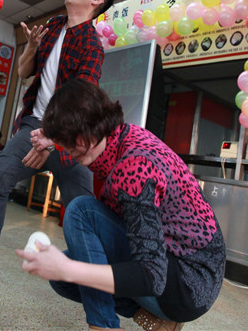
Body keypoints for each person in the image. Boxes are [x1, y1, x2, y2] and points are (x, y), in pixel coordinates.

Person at [17, 79, 226, 330]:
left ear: (94, 125)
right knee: (62, 279)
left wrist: (69, 269)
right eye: (64, 140)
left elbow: (152, 276)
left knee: (81, 213)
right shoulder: (119, 138)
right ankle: (156, 321)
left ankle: (103, 326)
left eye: (72, 138)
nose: (69, 148)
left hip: (189, 282)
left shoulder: (135, 167)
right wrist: (53, 140)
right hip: (182, 268)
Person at [0, 0, 115, 280]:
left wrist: (52, 140)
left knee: (82, 209)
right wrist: (30, 47)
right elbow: (22, 72)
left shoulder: (92, 45)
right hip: (34, 124)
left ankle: (96, 274)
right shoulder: (52, 26)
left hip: (70, 138)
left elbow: (82, 103)